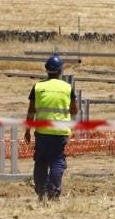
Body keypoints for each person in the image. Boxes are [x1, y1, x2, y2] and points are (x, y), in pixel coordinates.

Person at [25, 55, 78, 201]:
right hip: (60, 132)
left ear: (46, 70)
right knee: (57, 161)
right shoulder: (67, 87)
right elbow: (74, 111)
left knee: (41, 161)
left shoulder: (38, 87)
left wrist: (27, 130)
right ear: (61, 70)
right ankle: (53, 193)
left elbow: (31, 111)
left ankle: (41, 192)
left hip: (42, 131)